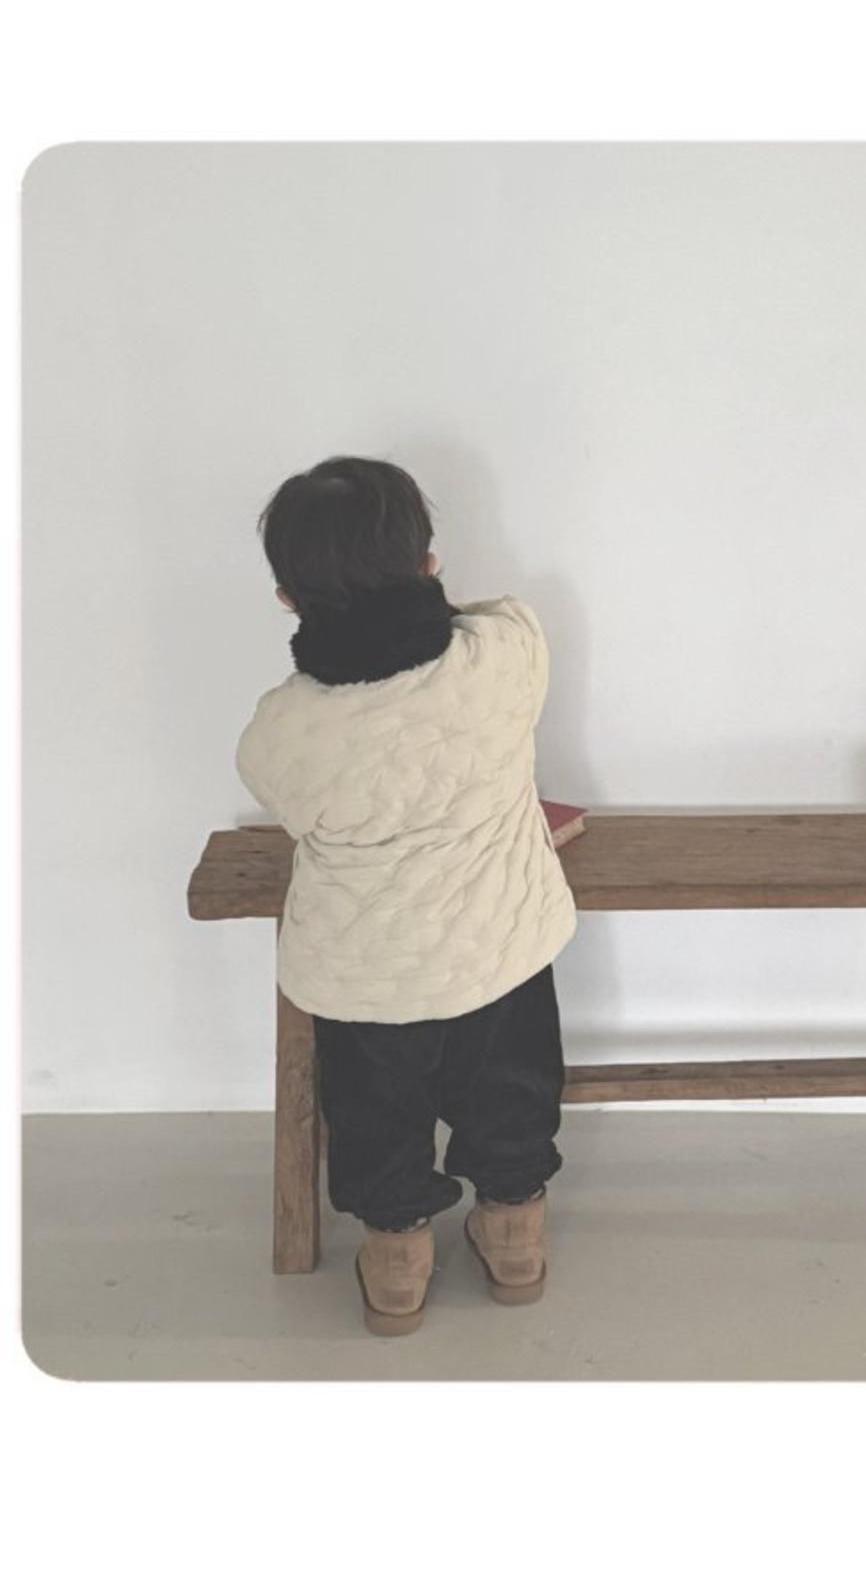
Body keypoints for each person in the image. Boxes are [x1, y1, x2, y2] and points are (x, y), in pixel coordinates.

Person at [235, 455, 578, 1336]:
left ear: (286, 598)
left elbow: (295, 812)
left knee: (375, 1112)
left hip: (367, 971)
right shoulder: (506, 653)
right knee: (512, 1090)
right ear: (428, 564)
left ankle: (397, 1264)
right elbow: (491, 616)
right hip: (500, 941)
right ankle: (515, 1237)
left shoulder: (281, 732)